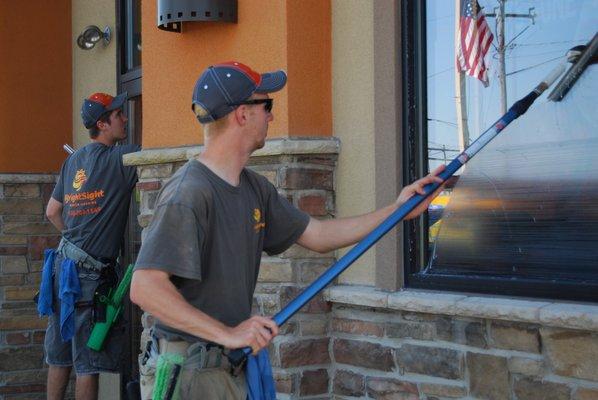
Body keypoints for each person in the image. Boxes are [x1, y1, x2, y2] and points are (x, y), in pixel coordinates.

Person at [130, 61, 444, 399]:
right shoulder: (189, 193)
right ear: (242, 114)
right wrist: (229, 334)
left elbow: (319, 236)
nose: (272, 117)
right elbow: (145, 287)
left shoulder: (254, 189)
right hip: (189, 374)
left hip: (224, 369)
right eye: (268, 106)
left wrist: (398, 210)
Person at [42, 92, 140, 400]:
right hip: (86, 277)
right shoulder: (122, 159)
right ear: (102, 123)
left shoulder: (73, 160)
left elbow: (52, 211)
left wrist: (77, 235)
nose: (124, 118)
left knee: (60, 355)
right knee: (87, 362)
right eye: (118, 114)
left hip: (61, 268)